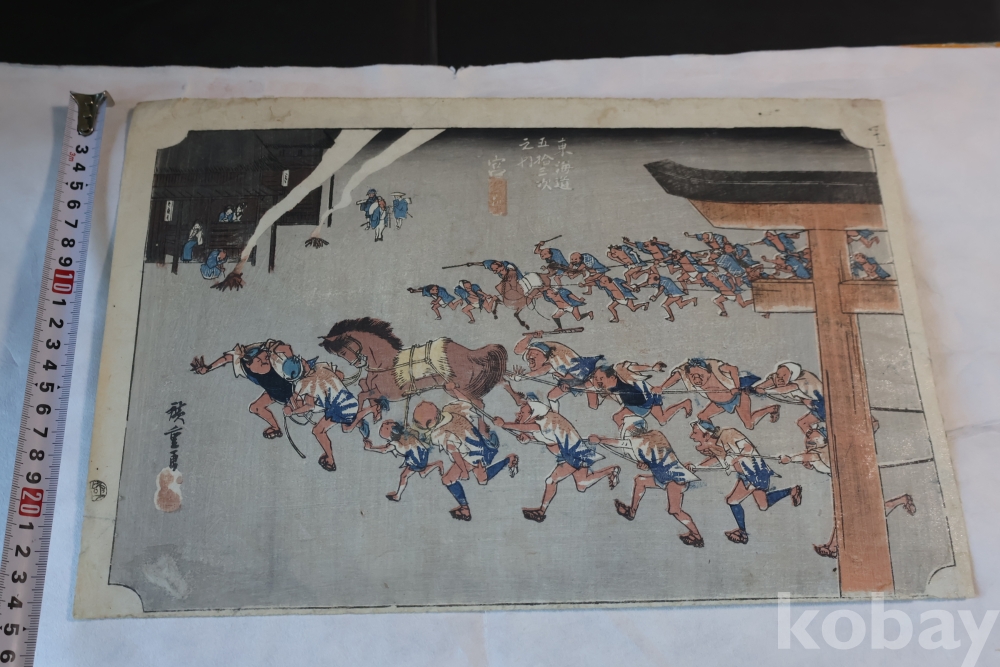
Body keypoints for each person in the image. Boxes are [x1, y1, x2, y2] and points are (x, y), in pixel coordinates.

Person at [779, 428, 915, 559]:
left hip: (853, 483)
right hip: (851, 483)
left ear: (821, 440)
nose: (808, 440)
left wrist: (789, 458)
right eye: (808, 440)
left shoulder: (820, 452)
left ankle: (833, 546)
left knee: (853, 516)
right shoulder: (818, 454)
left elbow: (806, 456)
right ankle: (901, 500)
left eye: (811, 439)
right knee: (865, 515)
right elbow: (812, 459)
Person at [494, 384, 619, 523]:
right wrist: (529, 438)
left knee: (551, 480)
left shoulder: (546, 420)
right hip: (567, 455)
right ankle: (611, 470)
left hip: (574, 454)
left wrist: (504, 424)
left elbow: (528, 427)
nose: (518, 415)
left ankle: (541, 512)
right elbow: (546, 438)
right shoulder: (540, 425)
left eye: (522, 412)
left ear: (533, 413)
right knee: (582, 484)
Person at [589, 417, 704, 547]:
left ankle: (697, 537)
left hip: (675, 478)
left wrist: (600, 440)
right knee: (640, 481)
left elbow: (623, 443)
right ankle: (631, 512)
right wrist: (644, 464)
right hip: (663, 477)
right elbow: (654, 456)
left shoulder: (640, 440)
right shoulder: (654, 435)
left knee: (674, 510)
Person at [690, 420, 802, 544]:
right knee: (763, 505)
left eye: (695, 433)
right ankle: (792, 491)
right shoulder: (715, 445)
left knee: (732, 500)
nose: (692, 436)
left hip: (754, 473)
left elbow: (748, 448)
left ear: (706, 434)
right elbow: (715, 459)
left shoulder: (728, 434)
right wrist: (696, 467)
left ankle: (742, 533)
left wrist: (737, 458)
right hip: (747, 474)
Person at [413, 400, 518, 521]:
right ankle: (509, 459)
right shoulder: (451, 410)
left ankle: (465, 509)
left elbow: (455, 452)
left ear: (429, 422)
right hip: (478, 447)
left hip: (473, 455)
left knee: (448, 479)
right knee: (482, 479)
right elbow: (467, 401)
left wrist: (463, 470)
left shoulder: (440, 434)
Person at [190, 339, 297, 440]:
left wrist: (293, 365)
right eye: (258, 361)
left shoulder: (275, 360)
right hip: (273, 393)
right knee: (255, 407)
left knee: (299, 409)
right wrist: (208, 368)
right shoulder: (243, 366)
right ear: (248, 364)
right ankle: (275, 428)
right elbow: (227, 358)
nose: (265, 362)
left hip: (293, 390)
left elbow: (287, 348)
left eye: (265, 358)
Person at [284, 359, 377, 471]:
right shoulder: (321, 366)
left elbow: (309, 406)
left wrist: (292, 412)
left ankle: (330, 458)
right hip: (349, 400)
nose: (306, 361)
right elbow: (340, 375)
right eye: (303, 362)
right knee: (345, 426)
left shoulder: (303, 384)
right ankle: (362, 418)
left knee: (318, 431)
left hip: (339, 407)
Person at [660, 358, 779, 429]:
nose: (696, 379)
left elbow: (733, 369)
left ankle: (771, 409)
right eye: (693, 376)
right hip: (719, 403)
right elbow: (677, 375)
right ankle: (713, 436)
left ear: (707, 372)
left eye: (700, 375)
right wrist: (661, 387)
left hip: (737, 397)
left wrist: (736, 387)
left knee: (749, 424)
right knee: (702, 417)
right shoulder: (686, 371)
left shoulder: (715, 367)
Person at [510, 331, 603, 413]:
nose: (531, 357)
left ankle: (598, 388)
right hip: (567, 379)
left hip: (581, 375)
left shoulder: (551, 362)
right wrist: (530, 336)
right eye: (529, 356)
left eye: (536, 355)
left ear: (545, 356)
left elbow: (540, 372)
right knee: (552, 396)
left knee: (593, 405)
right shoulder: (542, 355)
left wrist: (521, 377)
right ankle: (555, 415)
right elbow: (518, 350)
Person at [588, 362, 692, 430]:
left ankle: (684, 403)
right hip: (632, 406)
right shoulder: (606, 389)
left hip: (647, 399)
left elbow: (633, 368)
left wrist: (652, 368)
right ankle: (630, 437)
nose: (598, 382)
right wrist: (589, 389)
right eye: (596, 379)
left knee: (662, 420)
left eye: (601, 378)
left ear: (611, 377)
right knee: (618, 417)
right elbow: (593, 405)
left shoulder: (621, 372)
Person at [365, 420, 445, 501]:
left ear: (392, 432)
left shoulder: (396, 443)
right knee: (420, 473)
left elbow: (384, 450)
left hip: (417, 459)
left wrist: (370, 448)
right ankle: (437, 464)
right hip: (422, 454)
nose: (382, 426)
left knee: (408, 475)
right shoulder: (404, 435)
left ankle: (398, 496)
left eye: (386, 427)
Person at [753, 362, 825, 435]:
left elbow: (787, 388)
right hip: (815, 407)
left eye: (784, 375)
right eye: (778, 375)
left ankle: (818, 438)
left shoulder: (801, 379)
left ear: (791, 373)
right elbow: (772, 380)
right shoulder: (786, 377)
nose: (780, 379)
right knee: (803, 423)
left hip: (822, 406)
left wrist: (766, 391)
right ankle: (817, 438)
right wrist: (758, 387)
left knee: (804, 423)